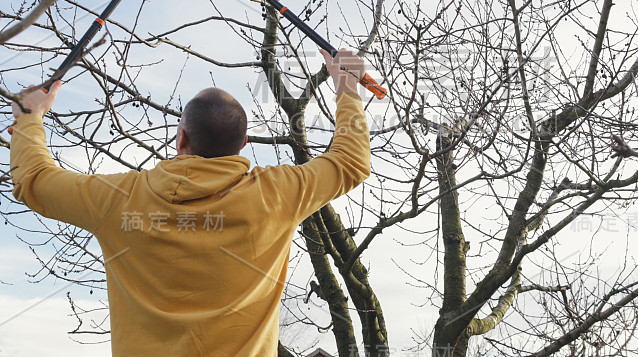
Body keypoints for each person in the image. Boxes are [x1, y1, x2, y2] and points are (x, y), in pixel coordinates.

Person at [9, 49, 371, 356]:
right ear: (243, 143)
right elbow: (350, 161)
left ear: (181, 138)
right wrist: (347, 88)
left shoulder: (120, 200)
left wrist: (30, 119)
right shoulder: (276, 195)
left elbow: (34, 181)